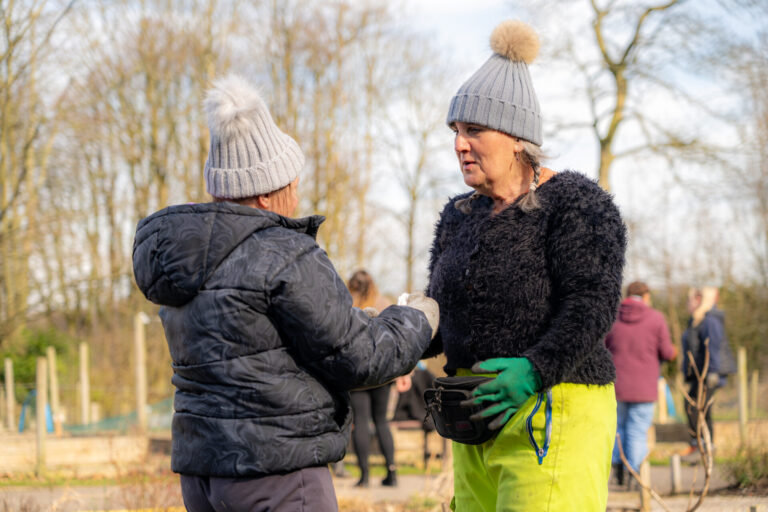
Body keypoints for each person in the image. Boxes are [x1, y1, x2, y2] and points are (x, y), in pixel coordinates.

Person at [132, 74, 439, 512]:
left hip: (204, 475)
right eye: (291, 178)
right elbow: (361, 357)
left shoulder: (186, 257)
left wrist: (361, 320)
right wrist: (415, 317)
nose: (297, 189)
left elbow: (265, 345)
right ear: (269, 188)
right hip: (276, 471)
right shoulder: (282, 253)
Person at [422, 20, 627, 511]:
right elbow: (439, 316)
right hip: (475, 419)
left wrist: (536, 370)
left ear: (516, 137)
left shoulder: (577, 202)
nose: (459, 144)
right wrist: (389, 333)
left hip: (555, 408)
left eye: (473, 130)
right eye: (455, 130)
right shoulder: (458, 213)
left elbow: (593, 305)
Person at [605, 281, 677, 487]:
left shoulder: (612, 317)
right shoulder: (656, 318)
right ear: (645, 296)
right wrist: (673, 352)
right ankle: (634, 474)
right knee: (637, 430)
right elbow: (667, 352)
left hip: (616, 385)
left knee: (617, 428)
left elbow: (602, 348)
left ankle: (617, 470)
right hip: (644, 388)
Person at [346, 269, 399, 487]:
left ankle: (364, 476)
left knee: (360, 422)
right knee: (381, 421)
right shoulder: (384, 303)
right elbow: (398, 338)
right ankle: (391, 473)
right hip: (383, 373)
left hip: (357, 373)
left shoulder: (347, 306)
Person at [681, 286, 736, 458]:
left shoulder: (710, 319)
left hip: (708, 373)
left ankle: (703, 445)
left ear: (698, 300)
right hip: (699, 374)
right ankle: (702, 444)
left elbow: (713, 345)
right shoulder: (697, 320)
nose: (688, 304)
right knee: (698, 407)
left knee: (697, 408)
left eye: (690, 301)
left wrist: (712, 371)